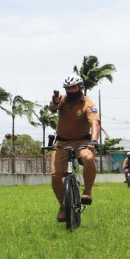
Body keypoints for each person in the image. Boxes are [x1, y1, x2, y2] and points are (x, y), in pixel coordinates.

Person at [48, 74, 100, 222]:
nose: (70, 90)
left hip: (82, 141)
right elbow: (53, 107)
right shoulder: (62, 100)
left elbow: (95, 124)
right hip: (61, 143)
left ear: (80, 88)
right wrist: (54, 101)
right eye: (68, 88)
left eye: (73, 87)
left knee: (88, 158)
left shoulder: (88, 105)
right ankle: (63, 206)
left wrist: (94, 140)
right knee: (56, 176)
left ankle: (87, 192)